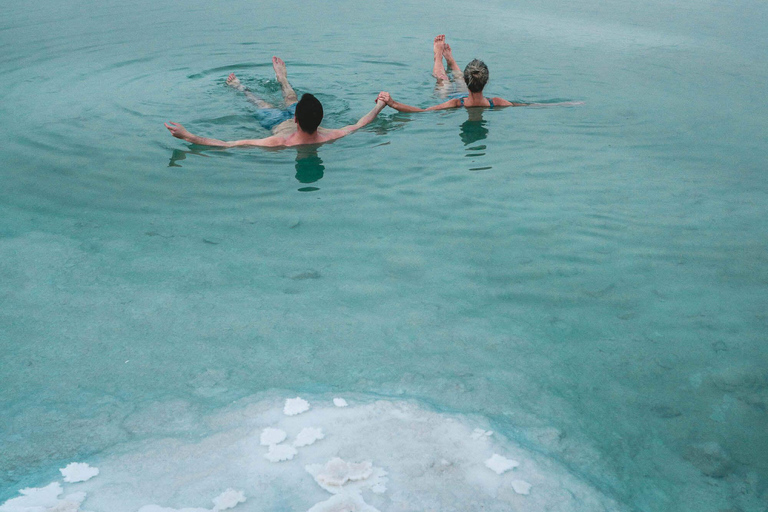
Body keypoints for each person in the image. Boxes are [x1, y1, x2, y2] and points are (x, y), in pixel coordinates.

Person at [165, 56, 386, 148]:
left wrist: (189, 136)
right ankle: (282, 79)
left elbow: (228, 145)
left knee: (263, 104)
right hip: (292, 119)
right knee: (290, 99)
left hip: (277, 123)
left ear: (298, 118)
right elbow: (361, 123)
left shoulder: (280, 143)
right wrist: (379, 104)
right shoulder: (332, 134)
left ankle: (240, 87)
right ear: (320, 119)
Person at [377, 35, 530, 112]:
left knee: (442, 79)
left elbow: (422, 112)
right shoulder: (497, 102)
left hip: (459, 97)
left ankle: (439, 57)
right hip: (466, 93)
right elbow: (528, 105)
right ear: (487, 81)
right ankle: (449, 60)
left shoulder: (455, 104)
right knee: (449, 80)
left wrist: (393, 103)